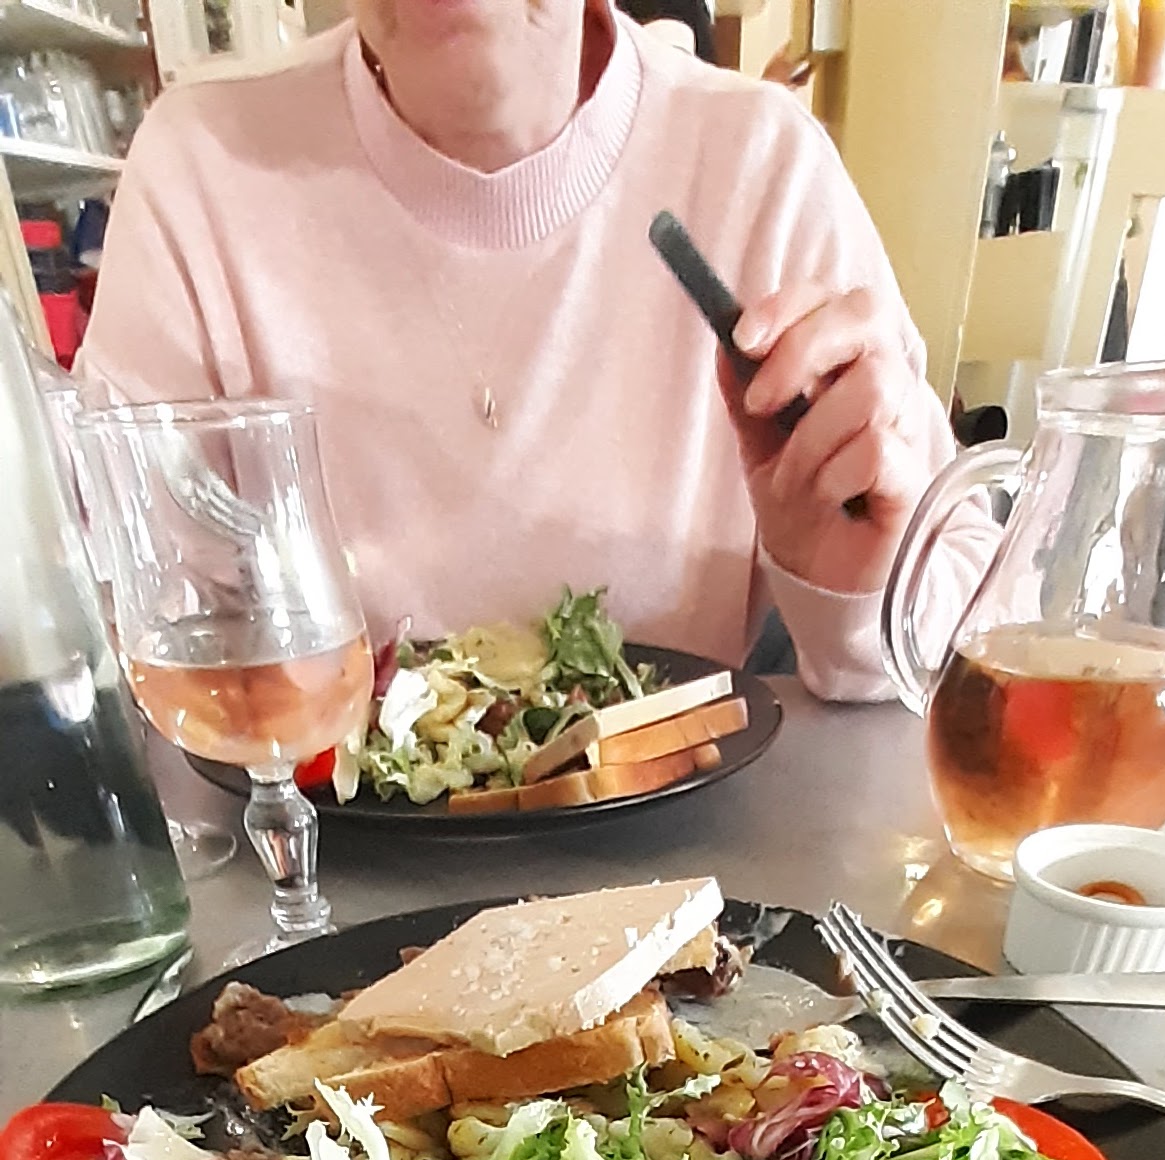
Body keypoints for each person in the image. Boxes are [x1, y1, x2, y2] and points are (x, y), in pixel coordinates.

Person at [77, 0, 988, 700]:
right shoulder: (199, 166)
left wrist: (856, 599)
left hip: (689, 862)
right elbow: (123, 634)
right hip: (315, 869)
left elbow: (963, 647)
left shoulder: (762, 165)